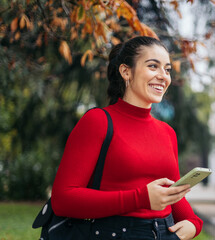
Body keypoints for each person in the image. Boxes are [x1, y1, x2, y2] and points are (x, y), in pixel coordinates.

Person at [51, 36, 203, 239]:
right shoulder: (98, 121)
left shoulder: (167, 132)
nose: (163, 76)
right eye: (153, 66)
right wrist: (141, 199)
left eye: (167, 69)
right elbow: (63, 200)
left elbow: (171, 194)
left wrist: (194, 223)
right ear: (126, 71)